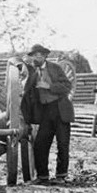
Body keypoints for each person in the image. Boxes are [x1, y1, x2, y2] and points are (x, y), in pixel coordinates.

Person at [21, 44, 75, 183]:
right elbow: (27, 93)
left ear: (45, 56)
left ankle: (61, 176)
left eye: (40, 55)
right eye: (34, 55)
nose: (37, 58)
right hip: (45, 112)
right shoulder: (32, 73)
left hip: (60, 109)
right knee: (40, 145)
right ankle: (42, 177)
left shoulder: (55, 68)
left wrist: (49, 86)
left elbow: (67, 86)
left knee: (62, 144)